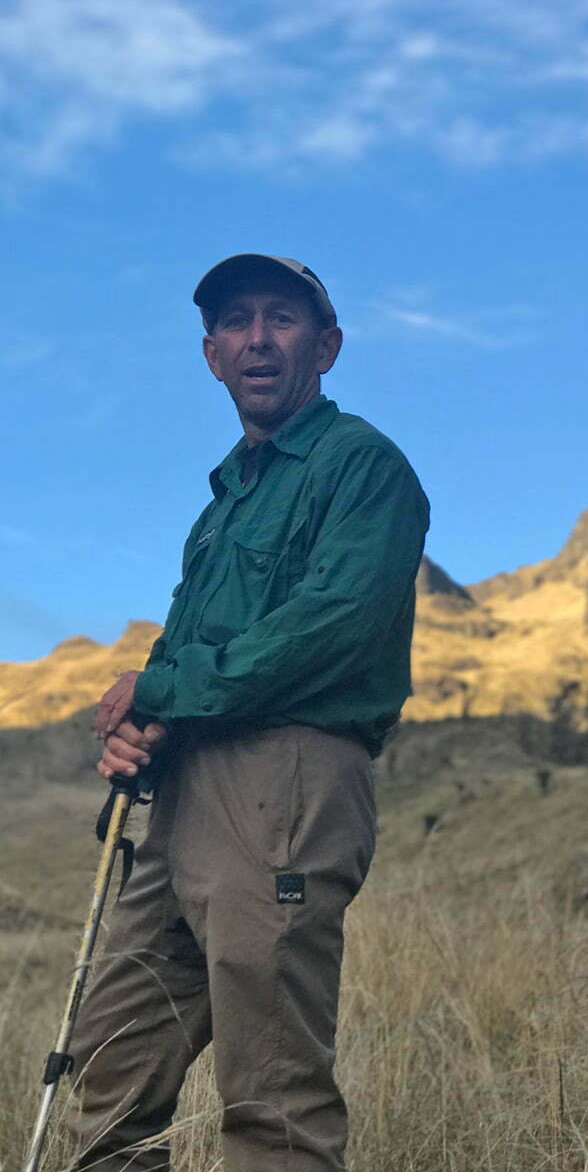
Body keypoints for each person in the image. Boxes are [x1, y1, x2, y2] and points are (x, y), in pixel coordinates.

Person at [69, 253, 430, 1172]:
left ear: (328, 345)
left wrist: (159, 689)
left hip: (289, 781)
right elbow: (190, 644)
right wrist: (138, 733)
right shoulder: (226, 498)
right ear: (210, 355)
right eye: (236, 322)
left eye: (282, 319)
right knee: (111, 1068)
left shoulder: (364, 468)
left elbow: (330, 629)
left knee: (273, 1093)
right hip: (185, 796)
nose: (258, 339)